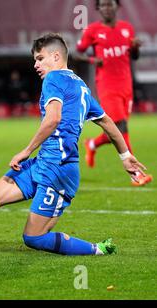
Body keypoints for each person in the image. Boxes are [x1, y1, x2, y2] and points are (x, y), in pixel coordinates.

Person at [0, 33, 148, 259]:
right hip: (45, 163)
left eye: (40, 58)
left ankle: (98, 249)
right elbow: (107, 122)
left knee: (33, 238)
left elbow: (53, 119)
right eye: (35, 59)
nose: (36, 64)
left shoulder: (54, 78)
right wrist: (124, 155)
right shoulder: (82, 87)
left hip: (59, 170)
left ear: (56, 57)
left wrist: (26, 150)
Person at [76, 0, 152, 186]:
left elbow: (133, 57)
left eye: (110, 4)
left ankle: (92, 144)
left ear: (117, 6)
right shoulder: (92, 30)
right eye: (103, 5)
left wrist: (134, 48)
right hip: (107, 86)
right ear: (98, 8)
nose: (107, 8)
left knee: (117, 130)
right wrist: (94, 60)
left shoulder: (127, 28)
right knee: (122, 127)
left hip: (126, 86)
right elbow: (78, 53)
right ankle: (135, 174)